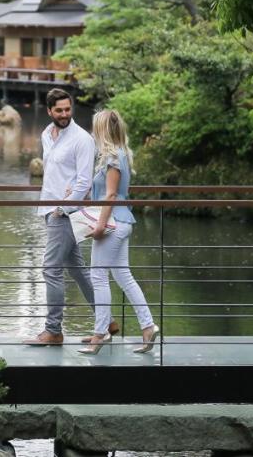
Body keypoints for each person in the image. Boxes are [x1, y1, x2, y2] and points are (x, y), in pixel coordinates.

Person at [25, 88, 115, 346]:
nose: (65, 114)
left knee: (51, 269)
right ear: (49, 111)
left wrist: (62, 208)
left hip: (65, 213)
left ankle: (53, 330)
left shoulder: (82, 139)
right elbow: (55, 175)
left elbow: (84, 181)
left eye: (68, 109)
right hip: (48, 210)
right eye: (59, 110)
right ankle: (106, 320)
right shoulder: (46, 134)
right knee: (76, 268)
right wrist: (50, 208)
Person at [78, 109, 158, 355]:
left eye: (95, 128)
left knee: (98, 276)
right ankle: (148, 326)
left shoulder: (112, 157)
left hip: (113, 222)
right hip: (122, 220)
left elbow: (111, 195)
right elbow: (105, 193)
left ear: (101, 130)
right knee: (123, 276)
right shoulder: (119, 154)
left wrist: (100, 225)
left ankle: (100, 334)